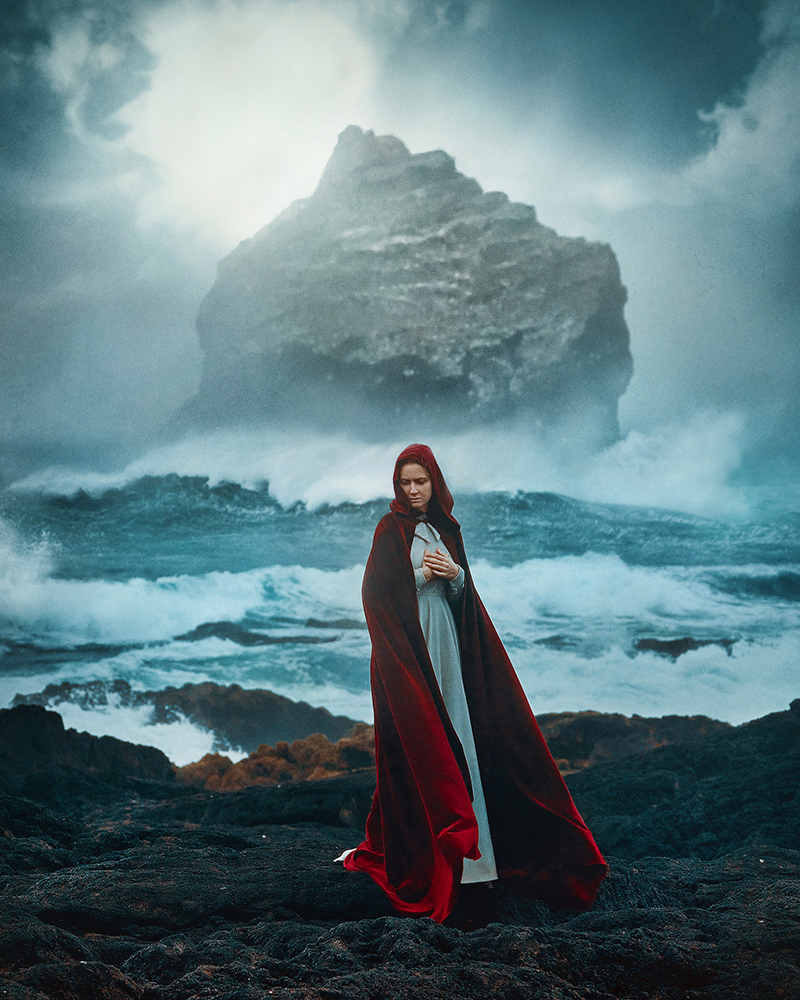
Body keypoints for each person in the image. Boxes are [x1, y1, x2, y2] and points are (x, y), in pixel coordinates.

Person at [340, 443, 607, 923]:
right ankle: (436, 855)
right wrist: (422, 574)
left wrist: (456, 575)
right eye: (406, 482)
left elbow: (464, 597)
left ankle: (476, 864)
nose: (414, 490)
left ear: (435, 482)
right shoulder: (388, 531)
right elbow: (375, 596)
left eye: (421, 481)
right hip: (410, 651)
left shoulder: (447, 529)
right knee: (425, 745)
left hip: (447, 643)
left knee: (460, 737)